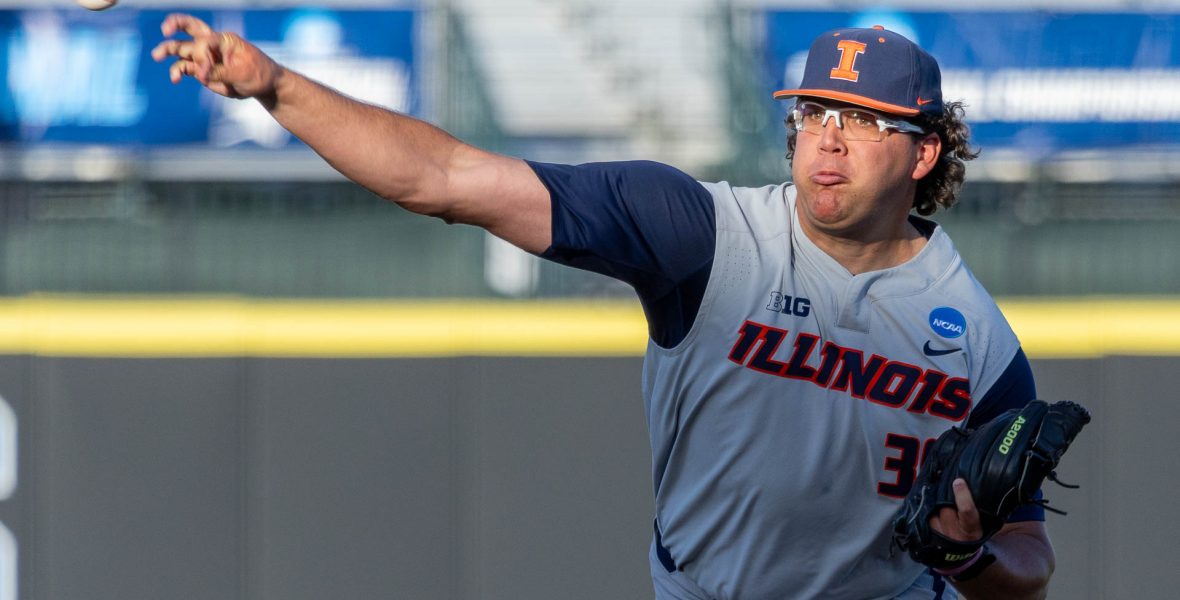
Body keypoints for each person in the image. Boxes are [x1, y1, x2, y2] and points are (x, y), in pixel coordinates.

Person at [153, 15, 1055, 600]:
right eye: (815, 111)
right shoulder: (703, 235)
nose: (826, 140)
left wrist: (971, 556)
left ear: (925, 154)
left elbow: (1030, 564)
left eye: (862, 122)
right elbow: (447, 180)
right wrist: (278, 89)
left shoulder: (976, 340)